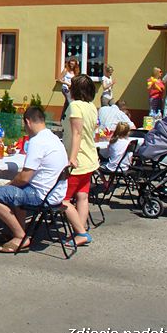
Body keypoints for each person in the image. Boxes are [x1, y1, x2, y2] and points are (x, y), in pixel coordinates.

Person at [0, 106, 68, 253]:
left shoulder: (37, 142)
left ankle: (20, 236)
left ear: (28, 122)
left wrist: (10, 184)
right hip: (57, 193)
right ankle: (17, 230)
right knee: (16, 191)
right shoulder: (54, 138)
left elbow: (24, 177)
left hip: (41, 196)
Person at [61, 74, 99, 247]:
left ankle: (81, 232)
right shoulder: (91, 106)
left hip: (79, 159)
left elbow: (77, 133)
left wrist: (72, 157)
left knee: (63, 200)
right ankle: (80, 231)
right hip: (90, 157)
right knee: (82, 197)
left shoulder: (75, 106)